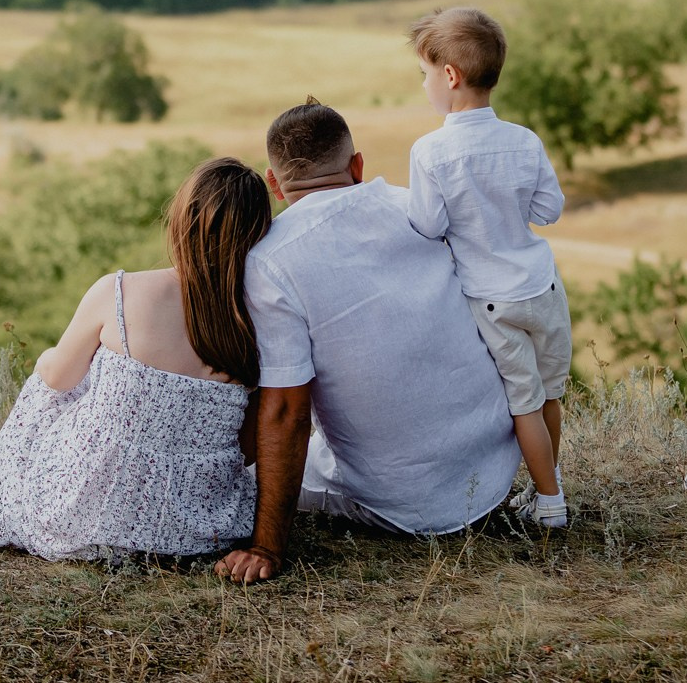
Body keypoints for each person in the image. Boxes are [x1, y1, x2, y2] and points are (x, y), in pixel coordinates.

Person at [215, 99, 519, 585]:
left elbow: (287, 410)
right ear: (357, 166)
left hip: (405, 503)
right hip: (497, 463)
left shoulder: (269, 261)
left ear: (273, 184)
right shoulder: (416, 209)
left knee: (238, 481)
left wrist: (267, 545)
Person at [0, 156, 269, 562]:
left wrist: (44, 360)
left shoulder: (119, 291)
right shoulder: (259, 323)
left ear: (181, 220)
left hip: (86, 517)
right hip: (202, 529)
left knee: (54, 377)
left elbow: (58, 379)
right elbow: (246, 450)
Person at [407, 5, 571, 529]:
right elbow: (548, 210)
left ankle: (548, 503)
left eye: (425, 75)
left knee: (522, 403)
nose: (426, 85)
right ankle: (551, 484)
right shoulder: (524, 140)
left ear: (450, 76)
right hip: (542, 287)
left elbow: (428, 225)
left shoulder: (430, 151)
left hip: (491, 298)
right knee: (549, 394)